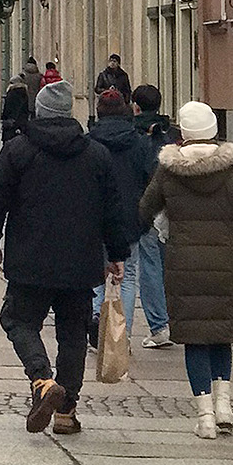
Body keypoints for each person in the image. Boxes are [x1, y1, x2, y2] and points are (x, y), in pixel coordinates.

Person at [0, 78, 129, 436]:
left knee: (18, 320)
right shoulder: (95, 154)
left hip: (30, 257)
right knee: (73, 333)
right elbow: (113, 209)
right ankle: (66, 412)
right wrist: (117, 252)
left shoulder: (18, 150)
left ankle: (42, 380)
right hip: (80, 260)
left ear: (39, 111)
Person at [138, 100, 233, 438]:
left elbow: (145, 209)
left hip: (183, 262)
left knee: (194, 337)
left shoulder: (168, 170)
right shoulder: (232, 170)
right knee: (222, 334)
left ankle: (204, 417)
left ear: (183, 132)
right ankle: (225, 407)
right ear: (214, 130)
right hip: (224, 261)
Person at [87, 87, 152, 343]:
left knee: (97, 273)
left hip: (96, 216)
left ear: (99, 112)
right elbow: (148, 178)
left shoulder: (89, 142)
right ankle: (121, 336)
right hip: (130, 217)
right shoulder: (138, 142)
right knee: (127, 276)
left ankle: (97, 328)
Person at [131, 83, 179, 347]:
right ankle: (174, 320)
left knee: (148, 266)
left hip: (146, 205)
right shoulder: (171, 133)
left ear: (135, 106)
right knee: (168, 264)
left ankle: (160, 325)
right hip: (171, 206)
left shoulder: (135, 133)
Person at [0, 70, 32, 142]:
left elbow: (6, 110)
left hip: (10, 123)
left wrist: (4, 119)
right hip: (21, 122)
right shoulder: (24, 93)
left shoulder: (11, 93)